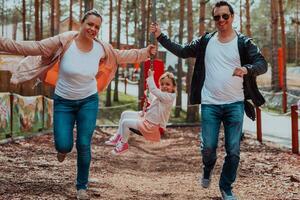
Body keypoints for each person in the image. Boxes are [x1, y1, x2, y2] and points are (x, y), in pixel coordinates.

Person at [0, 9, 156, 200]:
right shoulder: (64, 42)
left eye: (97, 27)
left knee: (84, 144)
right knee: (64, 145)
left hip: (88, 101)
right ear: (82, 24)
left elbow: (121, 55)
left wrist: (145, 53)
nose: (93, 29)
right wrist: (2, 43)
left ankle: (82, 186)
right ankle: (63, 150)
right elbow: (33, 46)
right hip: (63, 102)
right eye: (90, 24)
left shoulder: (101, 48)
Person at [150, 1, 267, 199]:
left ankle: (226, 187)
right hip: (210, 104)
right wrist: (161, 36)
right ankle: (207, 168)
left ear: (232, 17)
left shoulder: (244, 43)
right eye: (217, 17)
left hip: (235, 104)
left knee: (233, 150)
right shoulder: (206, 41)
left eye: (225, 16)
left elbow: (262, 64)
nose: (221, 20)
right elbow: (182, 51)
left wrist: (247, 69)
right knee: (209, 148)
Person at [104, 69, 176, 155]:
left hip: (153, 127)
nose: (164, 86)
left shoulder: (169, 97)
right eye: (162, 84)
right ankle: (118, 137)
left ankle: (123, 144)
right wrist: (148, 94)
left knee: (125, 123)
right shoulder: (162, 96)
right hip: (147, 119)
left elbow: (154, 90)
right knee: (124, 114)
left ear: (173, 87)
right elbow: (153, 98)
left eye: (168, 84)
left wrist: (150, 77)